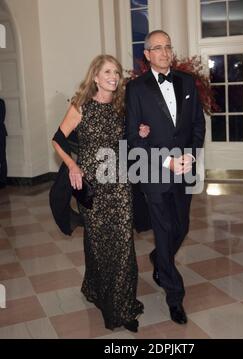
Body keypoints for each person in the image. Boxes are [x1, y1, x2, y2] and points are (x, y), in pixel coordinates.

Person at [52, 55, 147, 332]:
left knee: (122, 245)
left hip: (119, 185)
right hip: (91, 186)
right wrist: (72, 165)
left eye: (116, 72)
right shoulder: (80, 106)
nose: (113, 76)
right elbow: (57, 139)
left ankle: (122, 307)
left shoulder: (121, 107)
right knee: (98, 243)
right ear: (95, 76)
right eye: (107, 71)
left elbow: (128, 142)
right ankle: (95, 288)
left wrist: (139, 131)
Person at [126, 30, 206, 324]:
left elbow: (198, 124)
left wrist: (192, 154)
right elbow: (133, 137)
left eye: (167, 47)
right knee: (163, 229)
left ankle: (160, 259)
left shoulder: (186, 82)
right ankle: (175, 297)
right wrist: (167, 160)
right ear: (147, 55)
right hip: (154, 172)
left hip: (184, 170)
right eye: (156, 48)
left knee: (181, 227)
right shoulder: (136, 89)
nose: (163, 52)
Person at [0, 98, 7, 188]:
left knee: (2, 157)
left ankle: (2, 180)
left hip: (0, 133)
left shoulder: (1, 102)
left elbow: (1, 118)